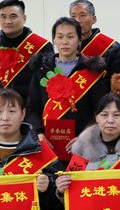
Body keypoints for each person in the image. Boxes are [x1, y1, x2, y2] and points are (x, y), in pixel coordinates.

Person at [25, 17, 107, 146]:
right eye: (60, 37)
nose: (65, 42)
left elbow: (101, 111)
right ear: (54, 40)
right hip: (47, 142)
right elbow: (32, 109)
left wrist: (85, 136)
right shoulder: (41, 69)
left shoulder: (92, 71)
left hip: (84, 144)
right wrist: (39, 133)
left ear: (80, 40)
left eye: (70, 37)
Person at [0, 0, 53, 103]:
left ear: (24, 18)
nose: (7, 21)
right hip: (0, 107)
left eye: (13, 16)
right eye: (3, 16)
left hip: (31, 107)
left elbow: (48, 82)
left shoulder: (42, 46)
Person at [69, 0, 120, 89]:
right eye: (73, 16)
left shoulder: (111, 47)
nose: (77, 20)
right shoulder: (66, 46)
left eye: (82, 15)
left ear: (94, 19)